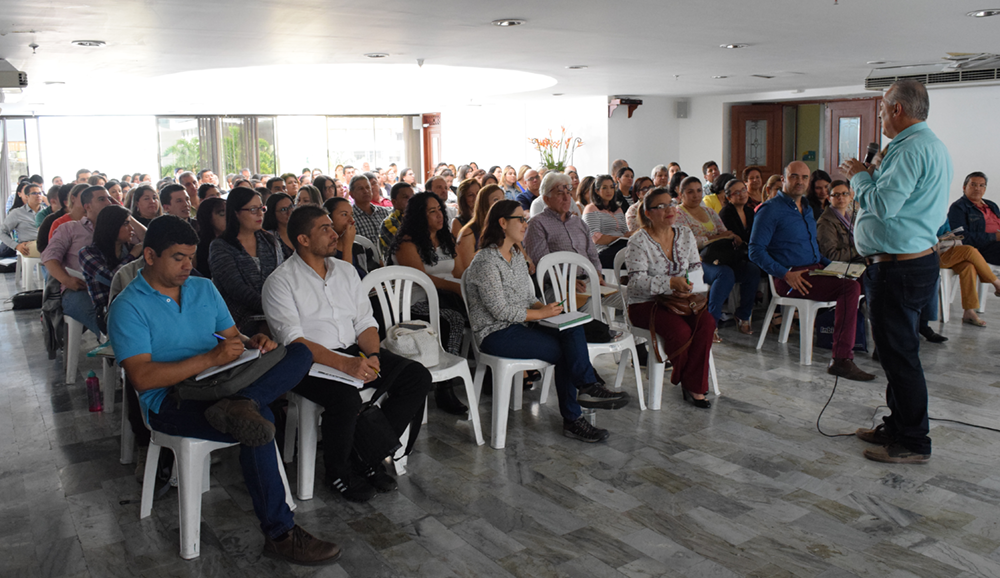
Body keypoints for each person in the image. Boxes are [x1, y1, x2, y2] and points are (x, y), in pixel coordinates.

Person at [108, 215, 340, 565]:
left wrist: (253, 343)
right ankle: (280, 534)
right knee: (258, 423)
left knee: (300, 352)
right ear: (151, 256)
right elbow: (143, 378)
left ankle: (241, 402)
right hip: (173, 400)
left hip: (225, 384)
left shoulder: (202, 288)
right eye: (178, 258)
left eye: (191, 257)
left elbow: (232, 339)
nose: (188, 266)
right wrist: (210, 358)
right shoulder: (128, 305)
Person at [262, 205, 431, 503]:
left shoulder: (345, 270)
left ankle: (366, 456)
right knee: (345, 398)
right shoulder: (281, 281)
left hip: (352, 352)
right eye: (324, 229)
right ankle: (338, 471)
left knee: (416, 376)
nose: (334, 233)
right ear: (303, 239)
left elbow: (364, 322)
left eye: (332, 226)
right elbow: (295, 341)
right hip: (306, 363)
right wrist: (346, 365)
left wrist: (373, 356)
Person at [839, 80, 952, 464]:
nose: (882, 116)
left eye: (884, 108)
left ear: (898, 109)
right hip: (911, 262)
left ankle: (914, 441)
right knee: (893, 352)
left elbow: (884, 205)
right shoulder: (928, 144)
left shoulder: (910, 149)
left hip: (899, 268)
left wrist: (858, 175)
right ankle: (898, 425)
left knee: (900, 356)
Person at [465, 200, 627, 443]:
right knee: (565, 350)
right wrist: (541, 315)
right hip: (495, 333)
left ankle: (588, 388)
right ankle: (578, 408)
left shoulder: (516, 255)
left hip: (521, 325)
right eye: (520, 219)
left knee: (571, 326)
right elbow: (499, 311)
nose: (525, 224)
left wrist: (548, 309)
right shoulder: (485, 261)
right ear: (502, 222)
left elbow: (528, 297)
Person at [752, 161, 874, 381]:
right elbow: (755, 251)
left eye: (805, 177)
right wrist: (784, 274)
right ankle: (841, 359)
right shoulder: (771, 210)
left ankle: (882, 345)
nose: (800, 181)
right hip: (792, 278)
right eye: (794, 176)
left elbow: (814, 253)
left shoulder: (807, 208)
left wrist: (836, 266)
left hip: (816, 269)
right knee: (849, 288)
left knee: (868, 276)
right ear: (783, 179)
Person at [625, 188, 716, 407]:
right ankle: (692, 384)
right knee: (680, 331)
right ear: (648, 213)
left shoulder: (684, 233)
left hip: (681, 301)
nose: (669, 210)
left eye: (671, 203)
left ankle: (688, 380)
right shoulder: (638, 242)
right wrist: (669, 283)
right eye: (661, 206)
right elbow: (636, 283)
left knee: (707, 323)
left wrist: (691, 285)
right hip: (646, 304)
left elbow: (695, 266)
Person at [386, 193, 469, 415]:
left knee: (479, 310)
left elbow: (459, 272)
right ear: (418, 216)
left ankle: (487, 369)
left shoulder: (446, 240)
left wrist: (466, 288)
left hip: (446, 298)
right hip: (414, 304)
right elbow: (422, 278)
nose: (439, 215)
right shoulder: (406, 244)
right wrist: (455, 288)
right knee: (453, 318)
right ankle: (445, 386)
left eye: (439, 209)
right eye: (431, 211)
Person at [675, 176, 760, 337]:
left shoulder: (709, 211)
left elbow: (725, 232)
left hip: (718, 257)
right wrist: (714, 238)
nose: (696, 195)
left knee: (751, 271)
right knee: (725, 274)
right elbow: (689, 243)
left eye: (699, 191)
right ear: (681, 194)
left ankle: (743, 314)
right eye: (690, 192)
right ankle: (710, 323)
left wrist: (717, 238)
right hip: (693, 262)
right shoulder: (678, 214)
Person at [209, 188, 284, 336]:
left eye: (261, 208)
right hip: (239, 321)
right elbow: (237, 289)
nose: (259, 213)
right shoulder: (221, 246)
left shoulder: (270, 241)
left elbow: (282, 278)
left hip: (275, 313)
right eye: (252, 209)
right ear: (236, 213)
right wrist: (274, 307)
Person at [42, 186, 114, 337]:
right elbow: (49, 257)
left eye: (109, 199)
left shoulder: (117, 229)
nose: (108, 203)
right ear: (87, 206)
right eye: (102, 199)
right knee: (105, 323)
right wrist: (67, 280)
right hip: (78, 289)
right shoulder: (69, 228)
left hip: (110, 287)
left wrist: (122, 213)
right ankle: (112, 342)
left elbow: (144, 239)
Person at [78, 205, 146, 333]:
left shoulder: (131, 250)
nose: (131, 229)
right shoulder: (87, 253)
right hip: (108, 311)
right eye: (126, 224)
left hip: (138, 305)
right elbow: (112, 279)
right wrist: (132, 256)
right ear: (111, 226)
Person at [947, 172, 1000, 265]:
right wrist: (995, 236)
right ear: (964, 187)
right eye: (973, 185)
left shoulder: (992, 205)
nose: (977, 188)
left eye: (981, 185)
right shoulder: (958, 207)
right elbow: (962, 237)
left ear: (985, 189)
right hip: (981, 248)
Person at [583, 174, 633, 268]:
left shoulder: (618, 209)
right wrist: (620, 238)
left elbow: (625, 232)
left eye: (611, 187)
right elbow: (596, 238)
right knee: (632, 253)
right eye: (604, 188)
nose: (609, 191)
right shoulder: (591, 209)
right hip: (603, 251)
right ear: (597, 191)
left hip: (622, 247)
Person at [456, 183, 505, 271]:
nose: (501, 204)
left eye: (503, 199)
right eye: (496, 200)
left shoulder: (505, 228)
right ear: (484, 204)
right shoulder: (468, 232)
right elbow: (465, 269)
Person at [323, 197, 377, 276]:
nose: (351, 220)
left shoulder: (358, 248)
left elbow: (376, 275)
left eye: (352, 215)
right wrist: (347, 244)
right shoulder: (325, 253)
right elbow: (345, 280)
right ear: (329, 218)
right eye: (344, 214)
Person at [816, 180, 860, 263]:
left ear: (850, 196)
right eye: (836, 195)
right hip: (840, 268)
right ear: (829, 198)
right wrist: (857, 250)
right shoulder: (825, 223)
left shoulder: (851, 218)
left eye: (845, 193)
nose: (841, 198)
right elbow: (831, 256)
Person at [0, 182, 43, 258]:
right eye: (34, 193)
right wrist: (16, 246)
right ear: (27, 196)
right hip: (29, 245)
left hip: (47, 242)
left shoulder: (46, 212)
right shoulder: (17, 213)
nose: (38, 195)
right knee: (52, 251)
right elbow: (2, 232)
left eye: (40, 193)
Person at [349, 175, 390, 246]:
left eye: (368, 187)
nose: (366, 191)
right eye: (360, 188)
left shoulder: (383, 212)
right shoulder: (350, 217)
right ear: (352, 194)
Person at [379, 182, 414, 255]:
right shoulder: (389, 223)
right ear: (394, 202)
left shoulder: (418, 217)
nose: (411, 200)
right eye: (405, 197)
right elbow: (405, 248)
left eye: (412, 197)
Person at [195, 197, 226, 278]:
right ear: (208, 218)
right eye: (222, 214)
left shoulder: (238, 240)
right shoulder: (199, 245)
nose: (228, 218)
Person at [718, 177, 754, 245]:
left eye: (743, 190)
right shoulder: (725, 214)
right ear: (729, 198)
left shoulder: (750, 211)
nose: (742, 194)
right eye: (737, 192)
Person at [263, 192, 295, 258]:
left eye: (291, 207)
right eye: (283, 210)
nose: (289, 212)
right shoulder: (269, 238)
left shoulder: (302, 231)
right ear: (273, 214)